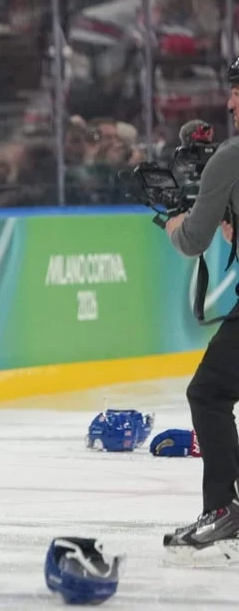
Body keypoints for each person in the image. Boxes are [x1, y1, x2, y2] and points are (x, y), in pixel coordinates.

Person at [163, 58, 239, 557]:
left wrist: (172, 217)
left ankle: (222, 509)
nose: (231, 102)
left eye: (238, 93)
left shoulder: (231, 157)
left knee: (209, 394)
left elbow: (193, 239)